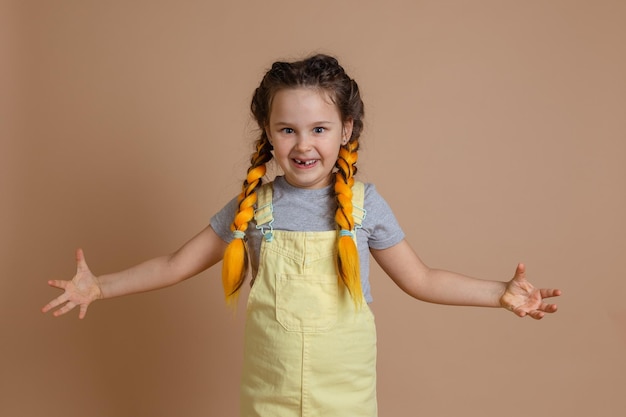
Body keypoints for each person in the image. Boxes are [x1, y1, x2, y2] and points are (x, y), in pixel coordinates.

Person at [42, 54, 561, 417]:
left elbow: (421, 279)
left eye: (319, 128)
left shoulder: (363, 205)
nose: (303, 144)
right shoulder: (253, 208)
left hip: (346, 397)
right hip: (269, 393)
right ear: (267, 133)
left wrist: (499, 294)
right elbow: (177, 263)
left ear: (347, 130)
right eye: (287, 129)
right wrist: (100, 286)